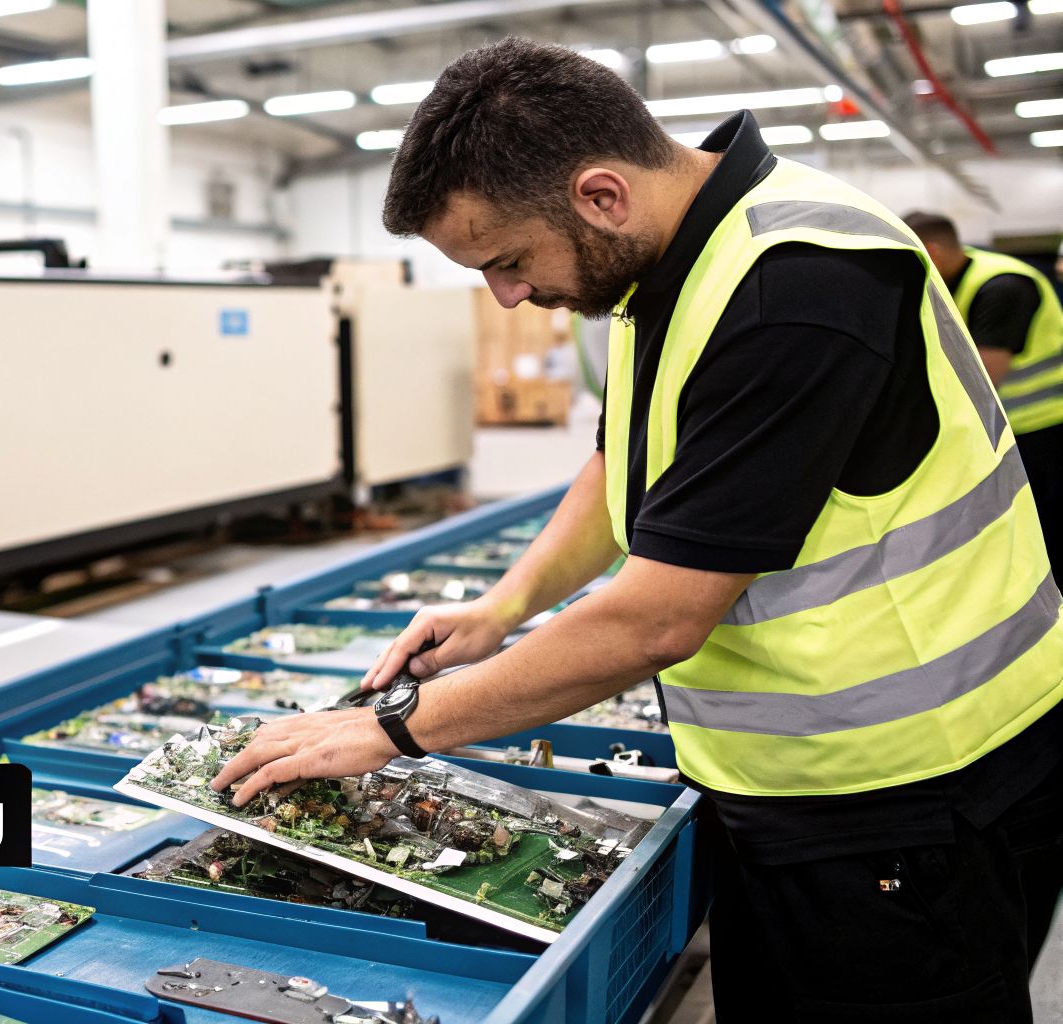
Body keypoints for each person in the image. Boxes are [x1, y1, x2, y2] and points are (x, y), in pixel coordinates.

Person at [210, 38, 1063, 1022]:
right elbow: (620, 462)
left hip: (915, 795)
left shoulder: (793, 286)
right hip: (793, 782)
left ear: (599, 195)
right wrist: (502, 606)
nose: (507, 296)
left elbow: (653, 620)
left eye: (506, 261)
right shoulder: (670, 264)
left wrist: (386, 729)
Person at [904, 212, 1063, 560]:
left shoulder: (1003, 286)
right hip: (1014, 430)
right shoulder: (957, 282)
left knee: (1046, 533)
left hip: (1045, 428)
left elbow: (983, 377)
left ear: (932, 252)